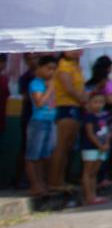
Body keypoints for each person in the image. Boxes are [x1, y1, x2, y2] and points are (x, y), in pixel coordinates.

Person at [47, 49, 86, 191]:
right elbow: (69, 89)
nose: (76, 52)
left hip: (75, 108)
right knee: (61, 146)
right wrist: (82, 99)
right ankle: (53, 181)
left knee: (68, 146)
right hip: (65, 107)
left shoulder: (76, 66)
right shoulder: (63, 66)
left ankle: (61, 180)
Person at [24, 55, 60, 199]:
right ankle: (34, 185)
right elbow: (39, 103)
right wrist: (50, 88)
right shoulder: (36, 83)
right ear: (39, 68)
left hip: (50, 121)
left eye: (53, 69)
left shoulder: (49, 83)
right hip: (38, 122)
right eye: (48, 68)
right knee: (33, 155)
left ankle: (42, 184)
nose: (51, 72)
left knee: (44, 155)